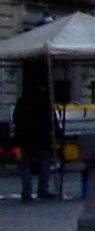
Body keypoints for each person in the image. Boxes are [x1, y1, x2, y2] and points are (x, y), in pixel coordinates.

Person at [12, 66, 59, 203]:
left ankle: (26, 192)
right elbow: (51, 119)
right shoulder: (45, 100)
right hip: (42, 136)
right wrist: (56, 132)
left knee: (26, 164)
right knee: (45, 162)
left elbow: (16, 117)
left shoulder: (23, 99)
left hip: (25, 137)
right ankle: (42, 189)